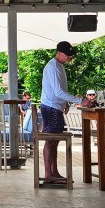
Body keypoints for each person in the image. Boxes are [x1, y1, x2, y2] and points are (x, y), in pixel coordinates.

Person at [38, 41, 81, 182]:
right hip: (51, 107)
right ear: (59, 53)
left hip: (56, 107)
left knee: (55, 141)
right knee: (50, 141)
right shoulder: (52, 67)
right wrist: (79, 100)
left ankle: (54, 172)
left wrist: (66, 102)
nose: (70, 58)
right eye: (68, 55)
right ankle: (48, 174)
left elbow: (60, 89)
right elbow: (58, 91)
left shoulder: (59, 65)